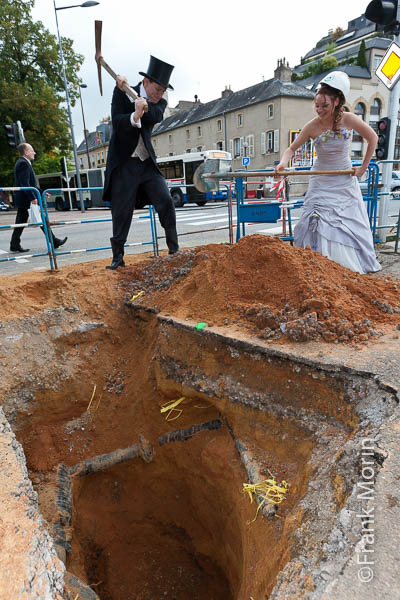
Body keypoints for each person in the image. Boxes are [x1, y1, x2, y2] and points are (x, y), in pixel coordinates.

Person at [275, 71, 381, 274]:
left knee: (343, 224)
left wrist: (363, 168)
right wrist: (282, 163)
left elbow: (373, 138)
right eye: (317, 105)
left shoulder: (349, 119)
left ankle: (343, 269)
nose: (319, 110)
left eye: (324, 105)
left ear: (337, 101)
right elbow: (290, 149)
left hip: (343, 180)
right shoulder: (312, 126)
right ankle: (318, 269)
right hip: (320, 181)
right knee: (317, 220)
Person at [103, 55, 179, 270]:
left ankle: (174, 250)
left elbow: (154, 115)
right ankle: (117, 258)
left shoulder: (159, 103)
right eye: (157, 89)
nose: (160, 94)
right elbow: (117, 122)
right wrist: (133, 115)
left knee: (165, 200)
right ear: (146, 82)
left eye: (163, 91)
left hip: (146, 164)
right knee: (121, 211)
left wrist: (142, 108)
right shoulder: (122, 91)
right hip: (124, 163)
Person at [10, 143, 67, 253]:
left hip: (24, 198)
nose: (34, 152)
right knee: (40, 220)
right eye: (32, 150)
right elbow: (24, 184)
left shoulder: (23, 163)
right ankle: (54, 241)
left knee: (21, 223)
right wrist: (32, 197)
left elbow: (30, 184)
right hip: (26, 199)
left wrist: (41, 193)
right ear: (26, 152)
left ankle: (14, 244)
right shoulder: (23, 164)